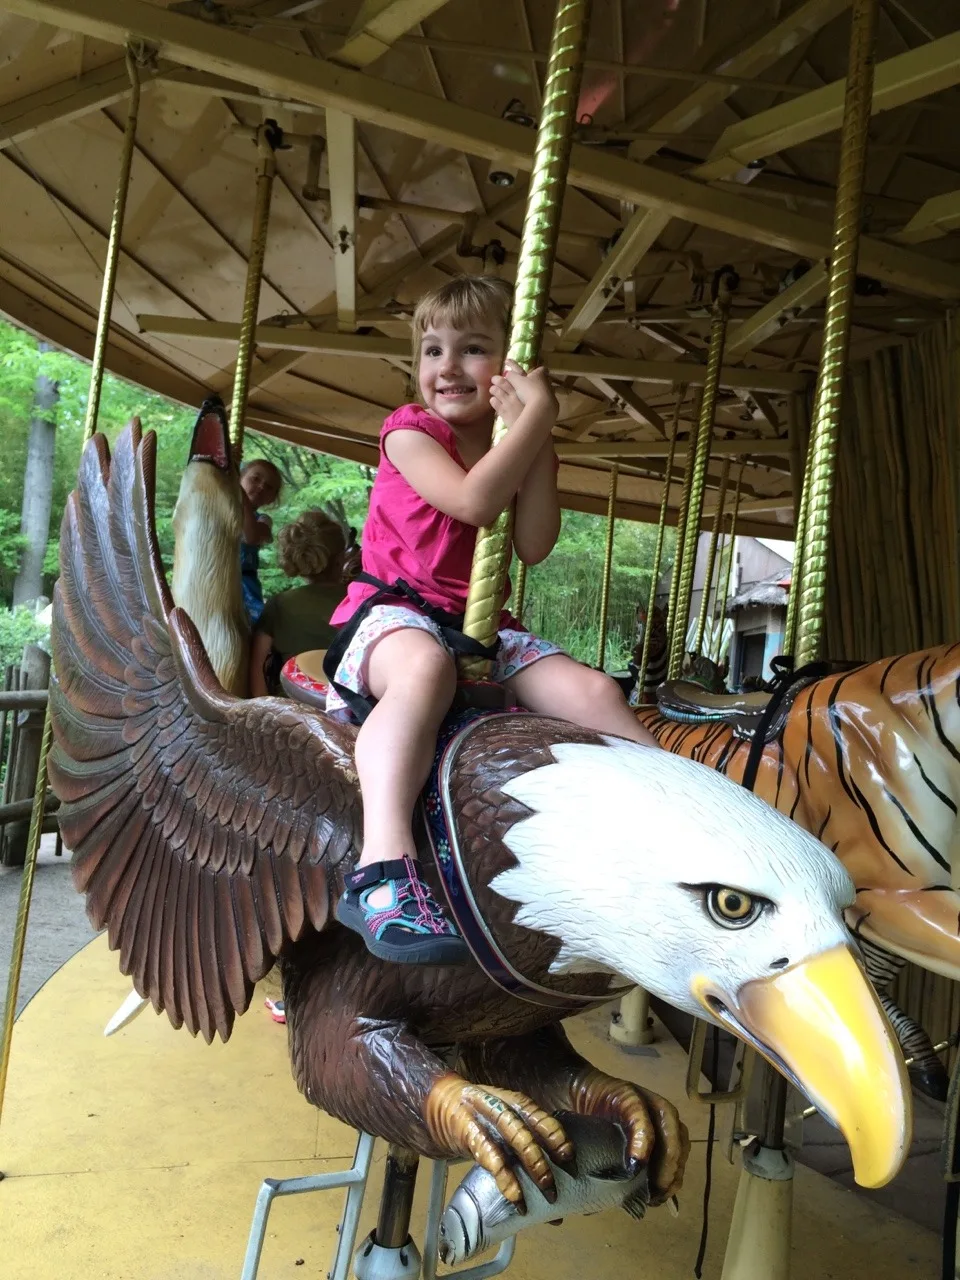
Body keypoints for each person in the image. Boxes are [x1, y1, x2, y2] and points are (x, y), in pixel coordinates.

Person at [324, 274, 659, 968]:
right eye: (432, 350)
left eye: (472, 349)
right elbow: (474, 504)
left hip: (483, 626)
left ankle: (681, 826)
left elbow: (534, 543)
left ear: (509, 364)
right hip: (393, 615)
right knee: (424, 665)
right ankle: (382, 867)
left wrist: (534, 440)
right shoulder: (408, 433)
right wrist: (538, 418)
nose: (447, 367)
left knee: (596, 693)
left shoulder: (522, 443)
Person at [249, 510, 347, 696]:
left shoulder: (279, 604)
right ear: (341, 558)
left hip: (292, 713)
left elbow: (257, 668)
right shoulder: (362, 600)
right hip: (352, 711)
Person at [239, 458, 284, 625]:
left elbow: (250, 536)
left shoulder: (263, 520)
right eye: (255, 479)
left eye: (269, 487)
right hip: (214, 574)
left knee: (258, 624)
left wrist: (240, 496)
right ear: (240, 478)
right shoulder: (220, 510)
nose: (260, 487)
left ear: (271, 499)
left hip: (243, 585)